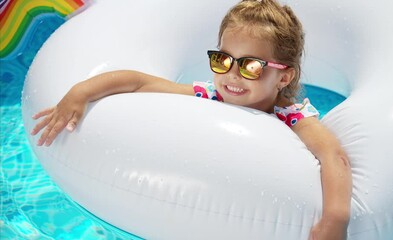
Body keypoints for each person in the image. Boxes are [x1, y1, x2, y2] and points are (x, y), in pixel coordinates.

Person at [31, 0, 352, 239]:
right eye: (223, 60)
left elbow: (332, 156)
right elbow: (140, 82)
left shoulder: (293, 117)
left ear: (284, 78)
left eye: (251, 66)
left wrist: (335, 219)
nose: (232, 75)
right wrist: (81, 92)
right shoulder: (209, 96)